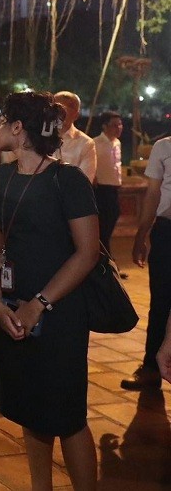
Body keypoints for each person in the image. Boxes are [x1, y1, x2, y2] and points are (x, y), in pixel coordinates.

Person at [0, 91, 100, 491]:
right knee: (30, 409)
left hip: (59, 312)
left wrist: (40, 304)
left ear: (19, 129)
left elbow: (86, 254)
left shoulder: (68, 181)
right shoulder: (1, 177)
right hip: (13, 308)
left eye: (2, 119)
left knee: (67, 416)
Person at [121, 133, 171, 391]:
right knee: (161, 300)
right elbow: (152, 193)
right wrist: (142, 234)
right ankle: (151, 367)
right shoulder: (164, 146)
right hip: (167, 230)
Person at [93, 110, 123, 250]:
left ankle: (108, 262)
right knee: (103, 228)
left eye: (120, 124)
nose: (119, 128)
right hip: (101, 190)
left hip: (114, 189)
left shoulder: (117, 142)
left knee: (110, 224)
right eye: (114, 125)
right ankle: (106, 264)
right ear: (104, 126)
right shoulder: (95, 144)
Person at [53, 91, 97, 182]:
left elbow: (85, 182)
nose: (60, 111)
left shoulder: (86, 143)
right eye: (56, 106)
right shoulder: (37, 137)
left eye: (67, 107)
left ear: (76, 115)